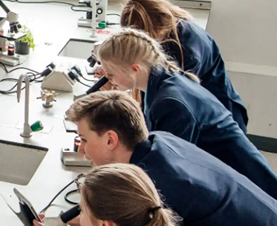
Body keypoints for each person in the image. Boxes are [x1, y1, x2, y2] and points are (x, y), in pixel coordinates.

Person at [97, 28, 277, 198]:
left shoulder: (170, 103)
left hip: (244, 184)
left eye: (111, 74)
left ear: (135, 69)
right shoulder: (161, 82)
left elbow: (168, 167)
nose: (109, 80)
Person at [64, 91, 277, 225]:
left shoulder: (155, 186)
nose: (82, 149)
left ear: (111, 139)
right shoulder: (160, 140)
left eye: (83, 139)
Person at [120, 0, 248, 133]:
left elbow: (161, 92)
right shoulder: (178, 26)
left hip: (215, 124)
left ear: (157, 28)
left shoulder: (182, 49)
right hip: (208, 115)